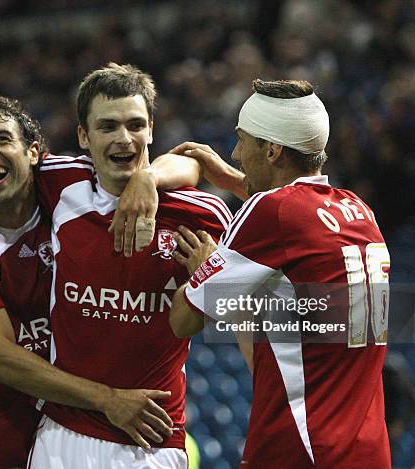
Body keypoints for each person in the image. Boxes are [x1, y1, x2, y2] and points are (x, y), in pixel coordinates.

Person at [0, 64, 231, 468]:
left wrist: (151, 180)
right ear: (83, 137)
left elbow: (190, 161)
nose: (122, 138)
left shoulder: (200, 214)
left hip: (140, 438)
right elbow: (0, 359)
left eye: (134, 125)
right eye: (107, 127)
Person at [168, 79, 392, 468]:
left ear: (272, 150)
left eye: (242, 141)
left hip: (301, 452)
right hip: (368, 451)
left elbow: (181, 320)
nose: (235, 153)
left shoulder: (272, 212)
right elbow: (297, 223)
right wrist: (234, 181)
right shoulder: (359, 212)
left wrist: (204, 268)